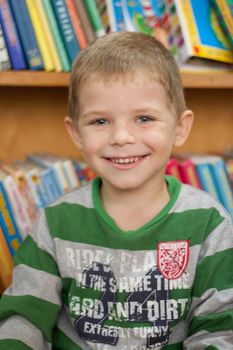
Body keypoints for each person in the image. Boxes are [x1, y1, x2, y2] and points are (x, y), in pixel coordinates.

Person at [0, 32, 233, 350]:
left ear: (180, 127)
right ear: (76, 132)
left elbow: (221, 330)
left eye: (144, 118)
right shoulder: (56, 222)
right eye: (100, 122)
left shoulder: (208, 223)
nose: (121, 136)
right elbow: (23, 318)